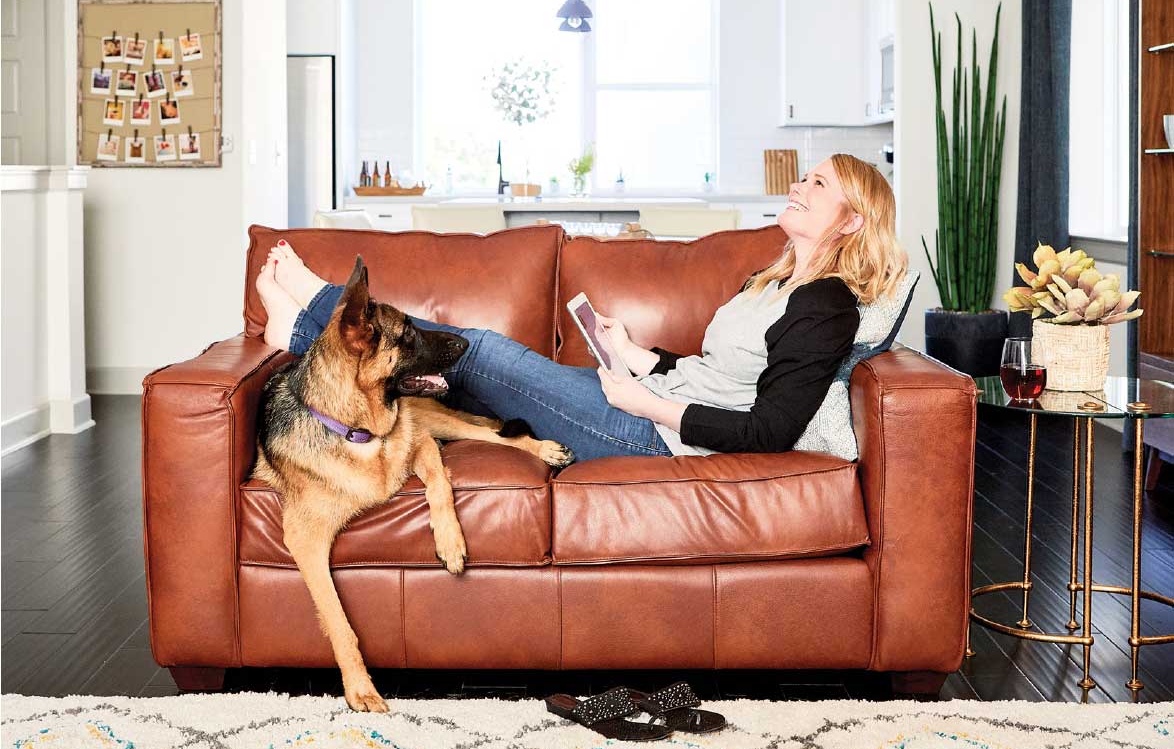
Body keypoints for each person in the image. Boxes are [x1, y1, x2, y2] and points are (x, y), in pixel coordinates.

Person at [254, 153, 907, 462]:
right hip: (655, 402)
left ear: (851, 221)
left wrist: (646, 403)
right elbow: (721, 372)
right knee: (458, 380)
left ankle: (312, 310)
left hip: (660, 436)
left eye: (816, 183)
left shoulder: (827, 306)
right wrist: (640, 357)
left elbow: (769, 426)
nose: (798, 184)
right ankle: (303, 329)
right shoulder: (773, 278)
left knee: (478, 351)